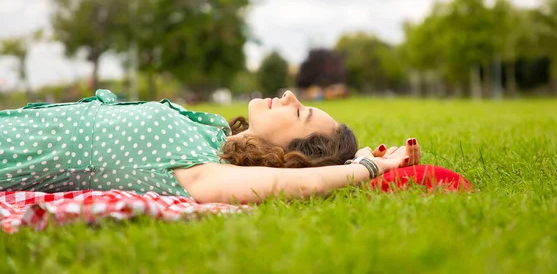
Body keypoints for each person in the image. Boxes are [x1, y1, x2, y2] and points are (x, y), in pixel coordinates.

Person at [0, 89, 420, 204]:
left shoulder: (203, 170)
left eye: (299, 114)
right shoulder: (213, 136)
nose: (290, 95)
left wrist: (367, 170)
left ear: (285, 158)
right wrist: (360, 155)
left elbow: (304, 186)